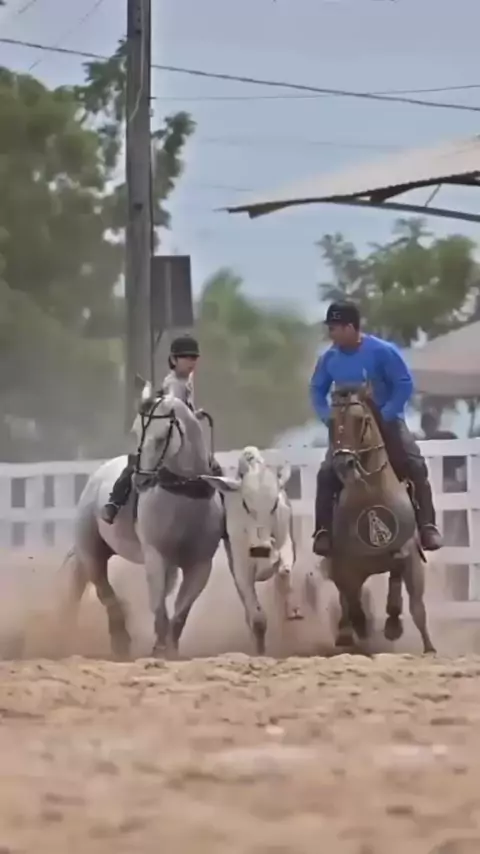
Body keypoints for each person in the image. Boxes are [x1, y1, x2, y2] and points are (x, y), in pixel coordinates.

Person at [309, 301, 443, 556]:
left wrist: (387, 413)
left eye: (334, 328)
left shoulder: (382, 351)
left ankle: (427, 526)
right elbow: (317, 389)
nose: (331, 333)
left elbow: (403, 383)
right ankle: (323, 531)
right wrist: (328, 417)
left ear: (350, 327)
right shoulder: (329, 358)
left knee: (414, 464)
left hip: (385, 419)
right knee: (327, 473)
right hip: (346, 424)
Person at [101, 334, 222, 524]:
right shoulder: (172, 384)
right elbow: (173, 411)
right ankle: (114, 503)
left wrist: (195, 415)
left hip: (183, 439)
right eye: (185, 357)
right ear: (173, 359)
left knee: (216, 470)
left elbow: (184, 412)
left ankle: (222, 517)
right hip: (165, 435)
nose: (191, 362)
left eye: (193, 358)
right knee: (137, 463)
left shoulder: (187, 380)